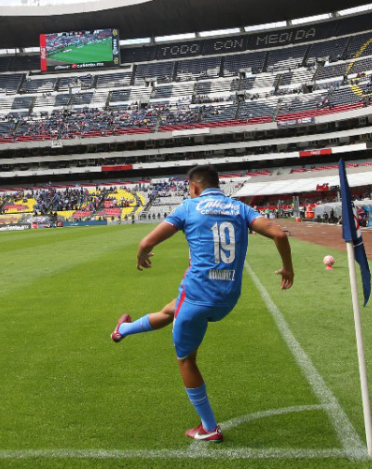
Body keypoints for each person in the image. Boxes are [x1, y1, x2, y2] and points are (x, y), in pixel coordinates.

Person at [110, 165, 294, 443]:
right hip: (228, 297)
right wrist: (288, 269)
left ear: (194, 186)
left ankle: (209, 428)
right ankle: (122, 331)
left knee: (186, 359)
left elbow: (147, 241)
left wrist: (141, 255)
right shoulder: (239, 208)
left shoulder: (189, 207)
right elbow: (279, 234)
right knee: (170, 310)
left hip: (197, 296)